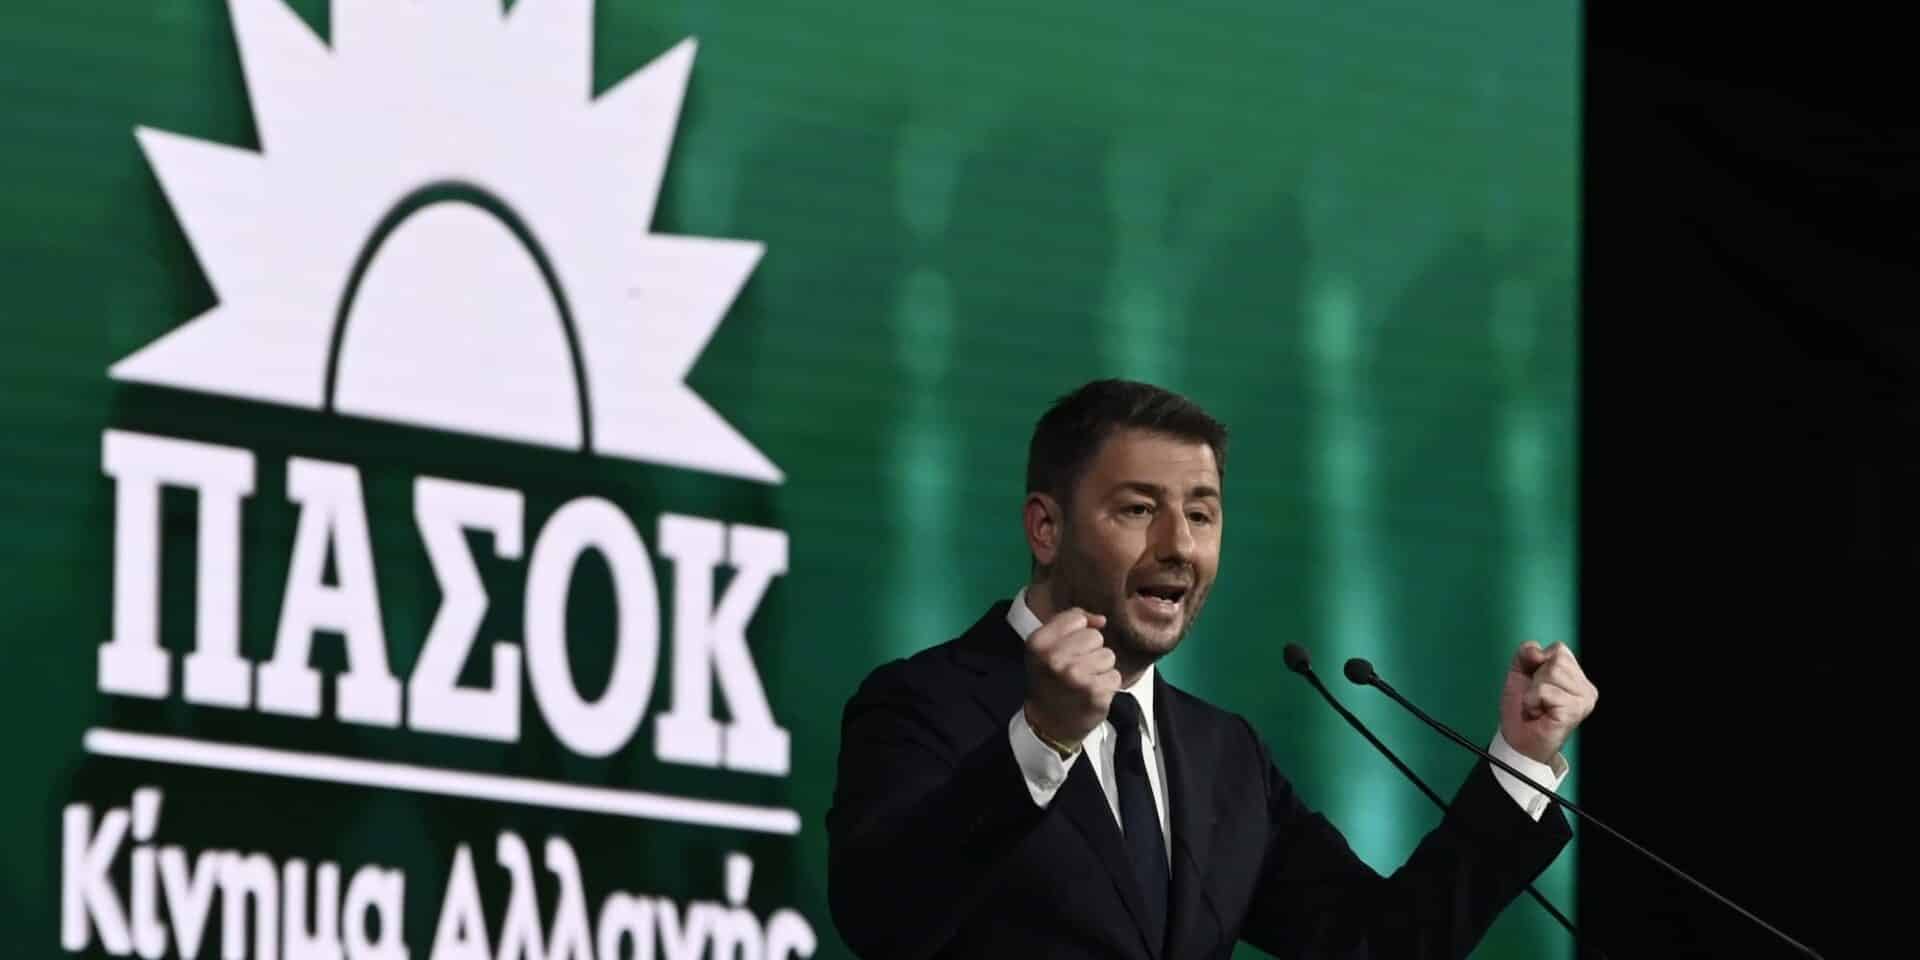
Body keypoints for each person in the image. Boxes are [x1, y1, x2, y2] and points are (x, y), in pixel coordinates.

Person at [826, 378, 1597, 959]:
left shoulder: (1226, 756)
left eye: (1201, 513)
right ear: (1046, 528)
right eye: (1138, 509)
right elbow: (879, 917)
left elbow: (1377, 944)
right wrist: (1042, 739)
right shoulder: (921, 702)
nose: (1180, 547)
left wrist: (1522, 759)